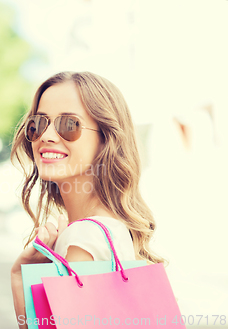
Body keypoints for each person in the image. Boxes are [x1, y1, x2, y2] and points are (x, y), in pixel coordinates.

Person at [10, 71, 164, 327]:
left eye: (69, 124)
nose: (46, 136)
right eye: (38, 123)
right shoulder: (112, 228)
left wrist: (18, 280)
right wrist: (20, 278)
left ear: (105, 140)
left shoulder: (81, 238)